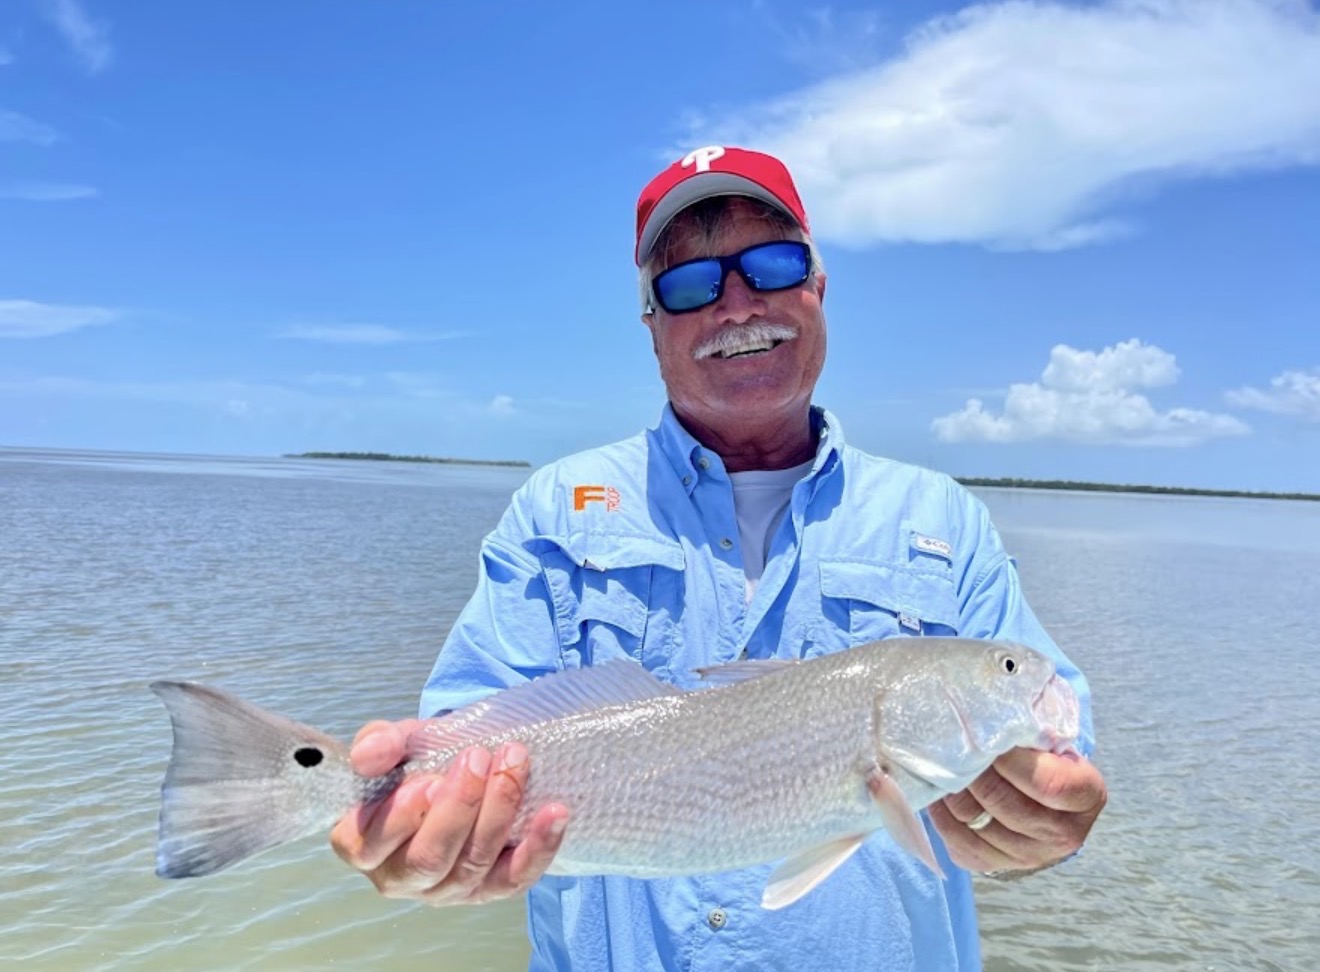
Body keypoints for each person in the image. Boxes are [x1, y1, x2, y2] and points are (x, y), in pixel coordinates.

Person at [330, 145, 1108, 971]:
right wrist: (428, 842)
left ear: (817, 287)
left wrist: (1048, 819)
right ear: (651, 325)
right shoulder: (555, 509)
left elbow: (1065, 734)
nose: (737, 305)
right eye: (689, 284)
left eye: (771, 265)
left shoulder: (943, 517)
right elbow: (465, 729)